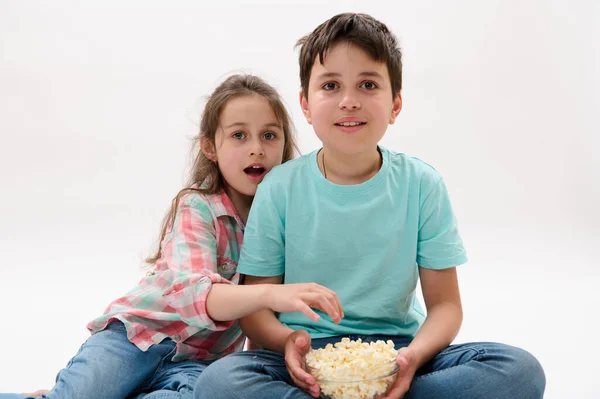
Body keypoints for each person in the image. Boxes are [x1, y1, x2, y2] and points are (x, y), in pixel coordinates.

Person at [194, 13, 546, 399]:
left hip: (396, 354)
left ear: (395, 104)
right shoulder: (279, 186)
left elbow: (445, 305)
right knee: (219, 383)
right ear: (306, 105)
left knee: (519, 371)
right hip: (304, 354)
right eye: (331, 85)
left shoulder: (421, 185)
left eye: (367, 85)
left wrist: (413, 358)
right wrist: (290, 343)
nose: (349, 102)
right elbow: (256, 309)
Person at [1, 74, 342, 399]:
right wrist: (272, 295)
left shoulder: (278, 221)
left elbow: (255, 326)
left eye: (269, 135)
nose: (257, 148)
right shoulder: (198, 206)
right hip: (137, 339)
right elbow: (197, 294)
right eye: (239, 135)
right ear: (211, 147)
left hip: (199, 362)